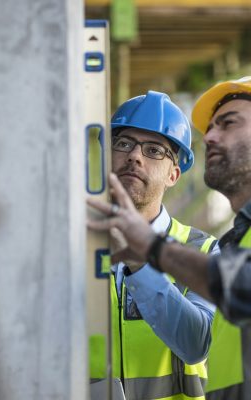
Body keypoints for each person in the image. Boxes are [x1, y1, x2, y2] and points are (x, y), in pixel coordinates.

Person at [87, 77, 251, 399]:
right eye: (124, 144)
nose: (135, 156)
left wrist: (142, 257)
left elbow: (196, 344)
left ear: (174, 174)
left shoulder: (205, 250)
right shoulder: (70, 245)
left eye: (153, 150)